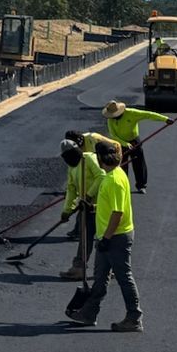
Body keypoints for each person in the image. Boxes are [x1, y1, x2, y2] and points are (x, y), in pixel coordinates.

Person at [70, 138, 141, 332]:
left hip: (116, 237)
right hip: (106, 237)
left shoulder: (114, 180)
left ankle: (134, 317)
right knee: (100, 278)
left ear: (101, 159)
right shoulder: (116, 174)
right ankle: (89, 313)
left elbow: (117, 213)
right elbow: (109, 206)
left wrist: (107, 238)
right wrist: (92, 206)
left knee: (124, 277)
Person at [57, 131, 104, 281]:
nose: (69, 159)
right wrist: (67, 210)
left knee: (105, 238)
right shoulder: (72, 168)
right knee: (85, 237)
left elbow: (101, 176)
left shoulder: (89, 158)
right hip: (87, 208)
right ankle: (79, 268)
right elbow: (71, 189)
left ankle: (111, 268)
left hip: (101, 205)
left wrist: (89, 195)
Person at [103, 99, 169, 193]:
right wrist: (124, 144)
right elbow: (113, 135)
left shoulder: (132, 113)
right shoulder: (110, 120)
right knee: (121, 166)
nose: (114, 117)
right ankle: (122, 185)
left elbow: (148, 114)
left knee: (139, 164)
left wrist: (165, 119)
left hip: (134, 141)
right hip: (119, 143)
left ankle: (141, 186)